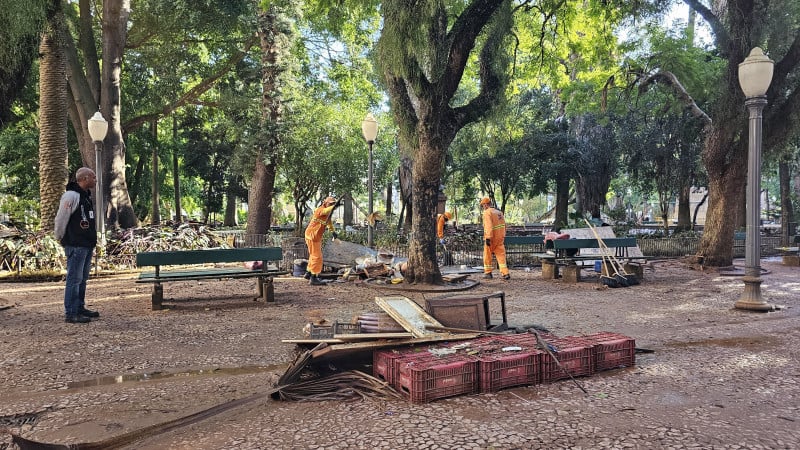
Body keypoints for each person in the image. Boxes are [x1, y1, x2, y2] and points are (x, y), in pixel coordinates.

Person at [54, 167, 100, 323]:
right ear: (85, 178)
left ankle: (79, 307)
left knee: (82, 278)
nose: (95, 180)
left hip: (86, 244)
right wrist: (59, 236)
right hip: (76, 244)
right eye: (93, 177)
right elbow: (61, 218)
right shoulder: (71, 196)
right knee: (74, 278)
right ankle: (71, 312)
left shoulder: (85, 196)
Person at [304, 196, 339, 286]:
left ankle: (308, 272)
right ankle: (313, 278)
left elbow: (329, 223)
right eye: (330, 203)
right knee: (317, 257)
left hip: (315, 236)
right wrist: (334, 206)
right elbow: (325, 211)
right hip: (312, 235)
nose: (331, 205)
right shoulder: (320, 210)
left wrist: (333, 232)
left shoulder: (327, 214)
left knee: (313, 255)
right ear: (325, 203)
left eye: (333, 204)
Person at [480, 197, 510, 280]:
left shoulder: (487, 213)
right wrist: (503, 235)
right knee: (501, 256)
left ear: (486, 204)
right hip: (500, 237)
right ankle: (505, 273)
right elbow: (504, 225)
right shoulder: (499, 212)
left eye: (483, 205)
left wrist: (488, 238)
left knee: (487, 255)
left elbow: (489, 226)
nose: (483, 207)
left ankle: (488, 273)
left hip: (491, 238)